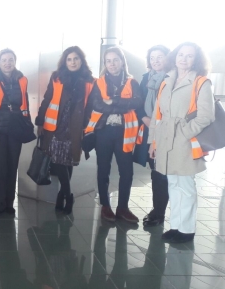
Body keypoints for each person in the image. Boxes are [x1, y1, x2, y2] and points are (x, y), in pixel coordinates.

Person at [149, 42, 215, 243]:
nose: (183, 59)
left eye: (189, 56)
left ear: (196, 60)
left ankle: (186, 230)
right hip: (165, 138)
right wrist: (153, 141)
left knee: (185, 185)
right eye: (181, 54)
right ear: (175, 57)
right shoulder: (167, 80)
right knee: (173, 184)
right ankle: (175, 226)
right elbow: (157, 114)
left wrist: (185, 132)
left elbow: (206, 116)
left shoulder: (201, 82)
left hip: (185, 140)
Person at [84, 46, 143, 223]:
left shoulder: (132, 83)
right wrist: (124, 105)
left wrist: (113, 101)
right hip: (104, 132)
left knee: (127, 171)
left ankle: (123, 208)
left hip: (125, 133)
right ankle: (105, 206)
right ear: (105, 63)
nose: (112, 64)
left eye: (115, 60)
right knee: (103, 169)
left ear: (122, 61)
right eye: (108, 61)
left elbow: (138, 102)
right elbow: (97, 105)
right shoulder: (99, 82)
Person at [35, 46, 95, 214]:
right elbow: (47, 99)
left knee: (68, 162)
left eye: (76, 58)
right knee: (58, 162)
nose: (73, 62)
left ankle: (63, 193)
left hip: (76, 129)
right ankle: (68, 195)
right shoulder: (57, 77)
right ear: (65, 61)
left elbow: (91, 107)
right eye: (69, 59)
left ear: (81, 60)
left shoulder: (91, 81)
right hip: (55, 127)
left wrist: (88, 128)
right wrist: (40, 121)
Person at [0, 48, 30, 218]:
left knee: (12, 167)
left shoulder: (21, 80)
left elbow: (25, 105)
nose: (8, 63)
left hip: (16, 130)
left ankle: (9, 203)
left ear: (15, 62)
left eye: (10, 59)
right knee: (0, 168)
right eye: (4, 60)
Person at [137, 45, 170, 227]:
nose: (156, 61)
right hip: (149, 130)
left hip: (167, 131)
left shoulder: (172, 78)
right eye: (152, 58)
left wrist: (156, 123)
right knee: (156, 172)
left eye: (160, 57)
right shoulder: (145, 79)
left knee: (163, 174)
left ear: (168, 58)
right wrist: (144, 118)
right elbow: (138, 102)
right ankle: (157, 210)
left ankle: (159, 212)